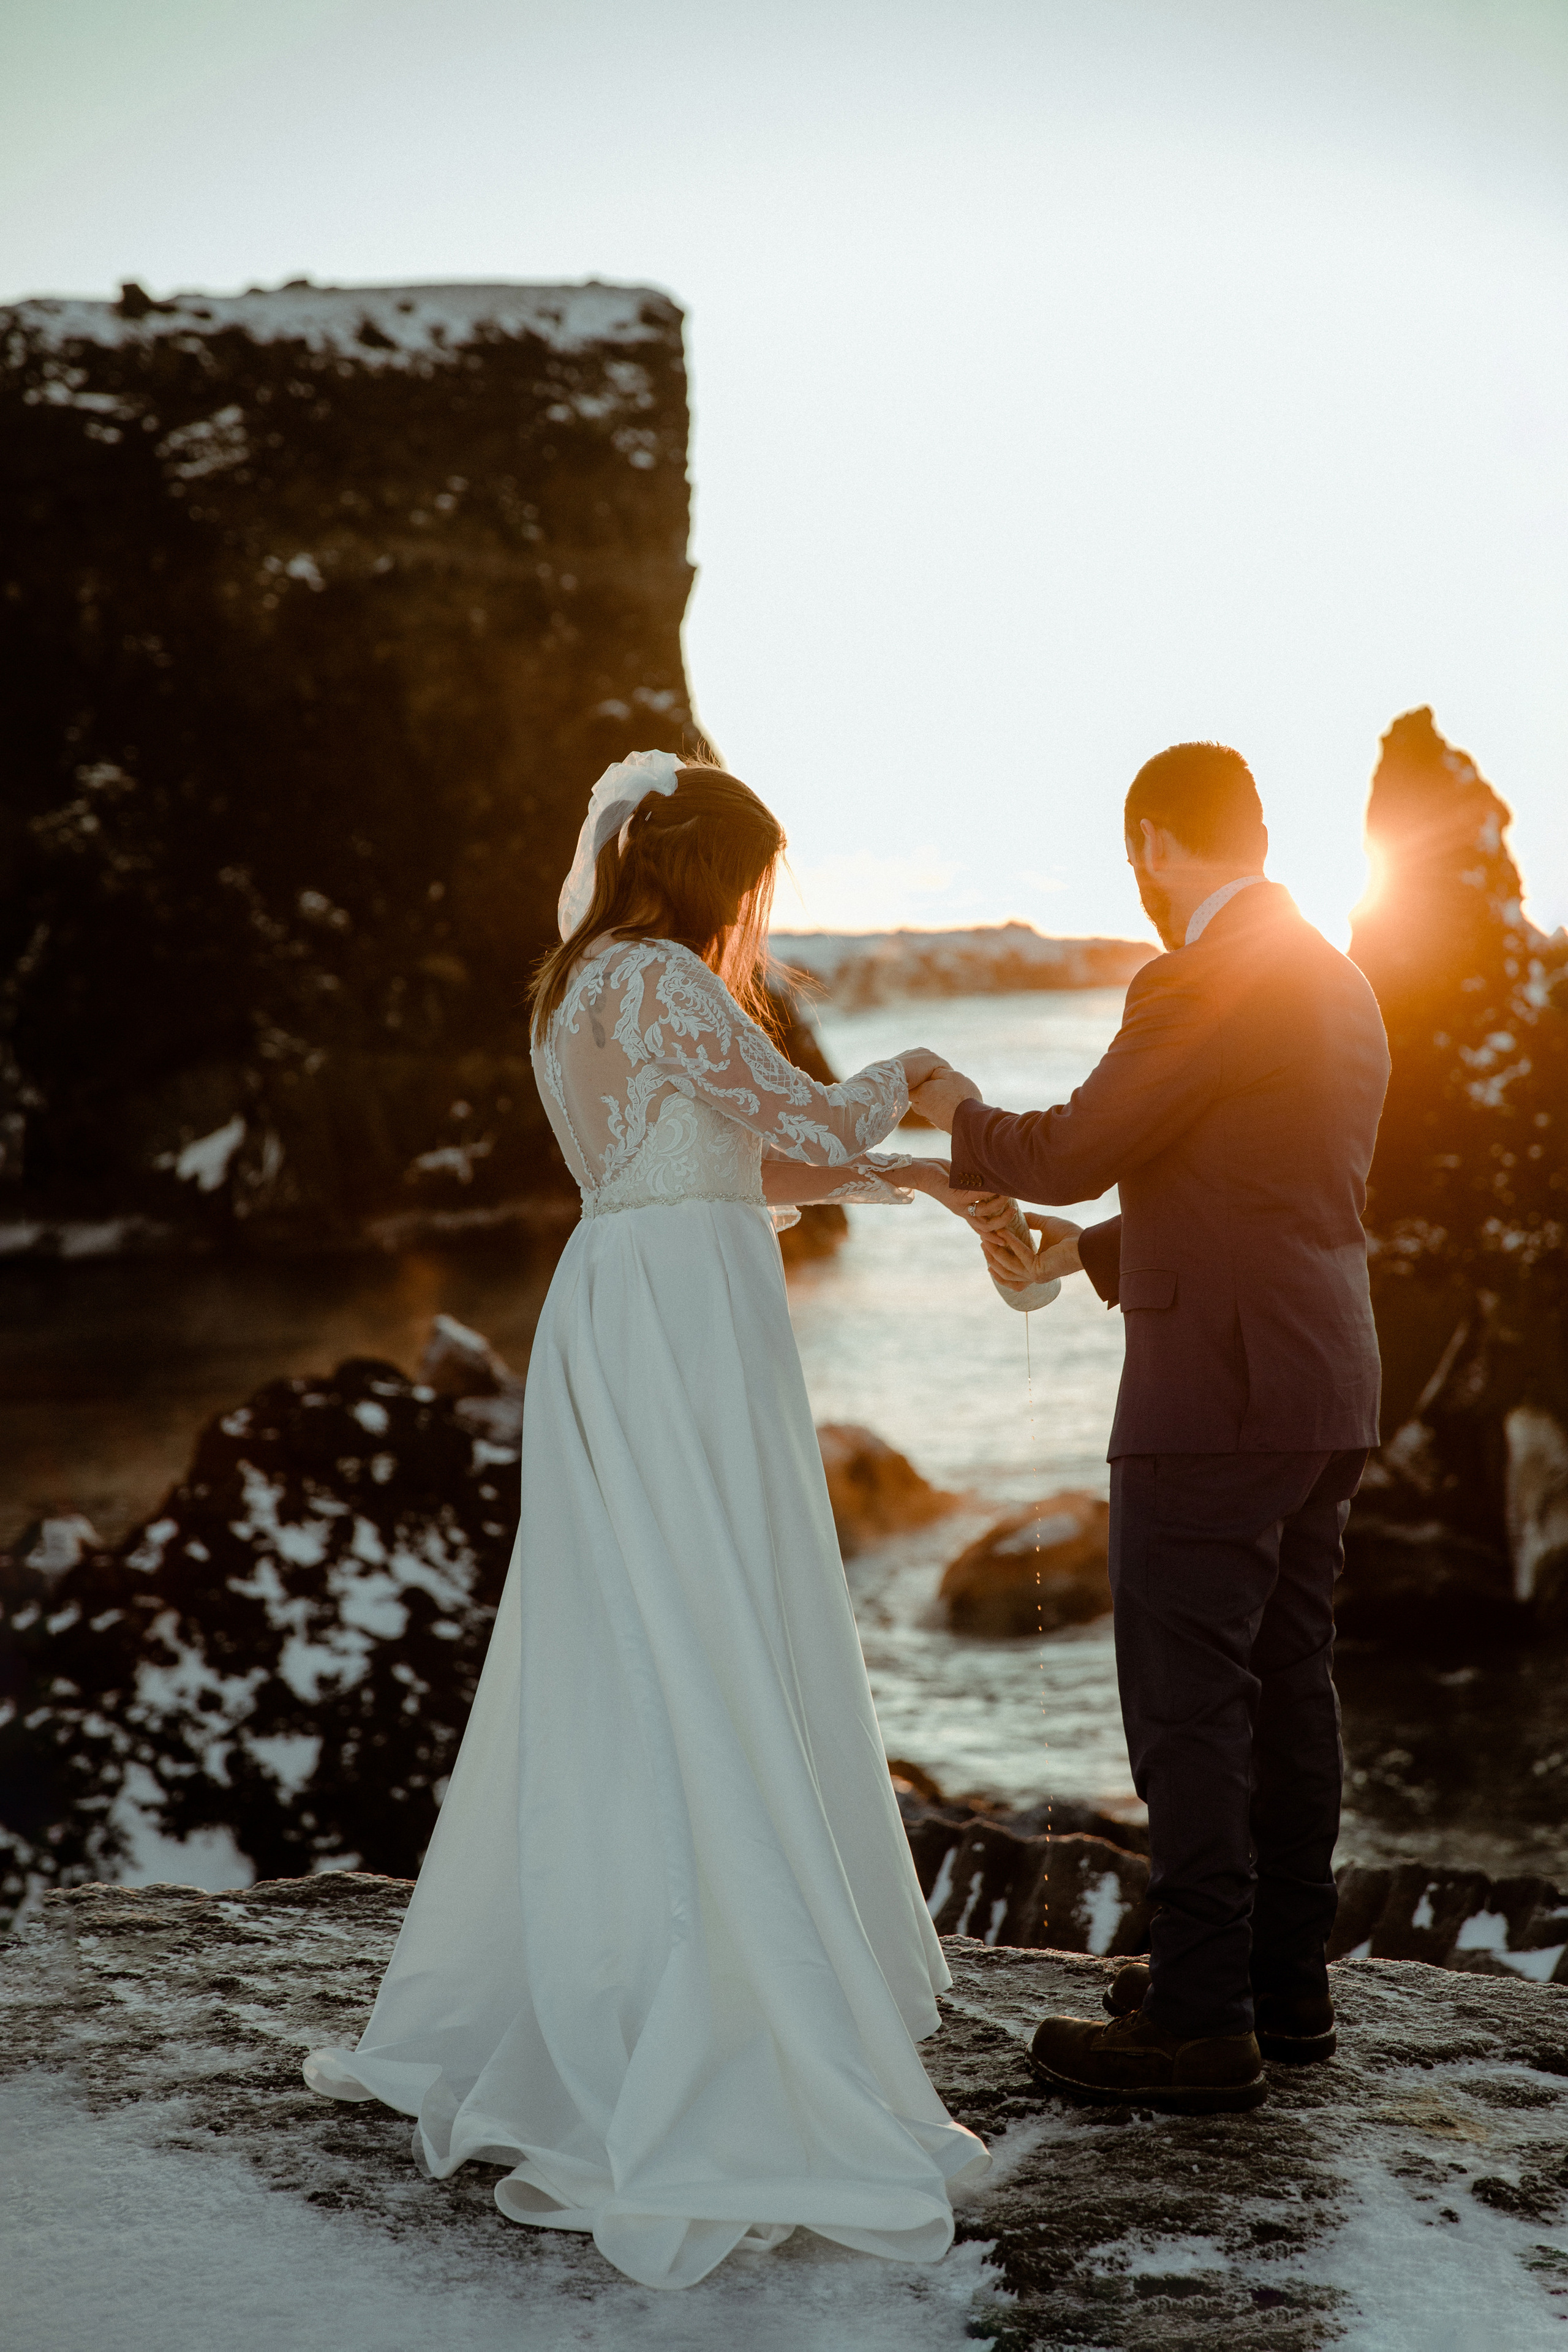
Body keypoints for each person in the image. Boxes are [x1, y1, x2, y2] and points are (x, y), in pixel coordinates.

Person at [304, 751, 993, 2288]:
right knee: (699, 1609)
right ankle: (712, 1985)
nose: (756, 911)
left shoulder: (578, 983)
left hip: (637, 1293)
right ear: (709, 873)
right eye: (752, 883)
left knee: (643, 1619)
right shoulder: (661, 977)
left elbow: (746, 1152)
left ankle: (634, 1936)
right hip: (680, 1316)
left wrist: (919, 1181)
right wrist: (917, 1072)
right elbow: (801, 1108)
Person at [912, 742, 1390, 2117]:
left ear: (1153, 841)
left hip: (1213, 1401)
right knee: (1289, 1687)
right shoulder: (1340, 981)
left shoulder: (1195, 976)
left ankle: (1197, 2024)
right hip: (1324, 1382)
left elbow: (1066, 1149)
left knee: (1188, 1705)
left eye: (1134, 853)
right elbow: (1267, 1181)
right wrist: (1089, 1257)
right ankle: (1277, 1988)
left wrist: (952, 1109)